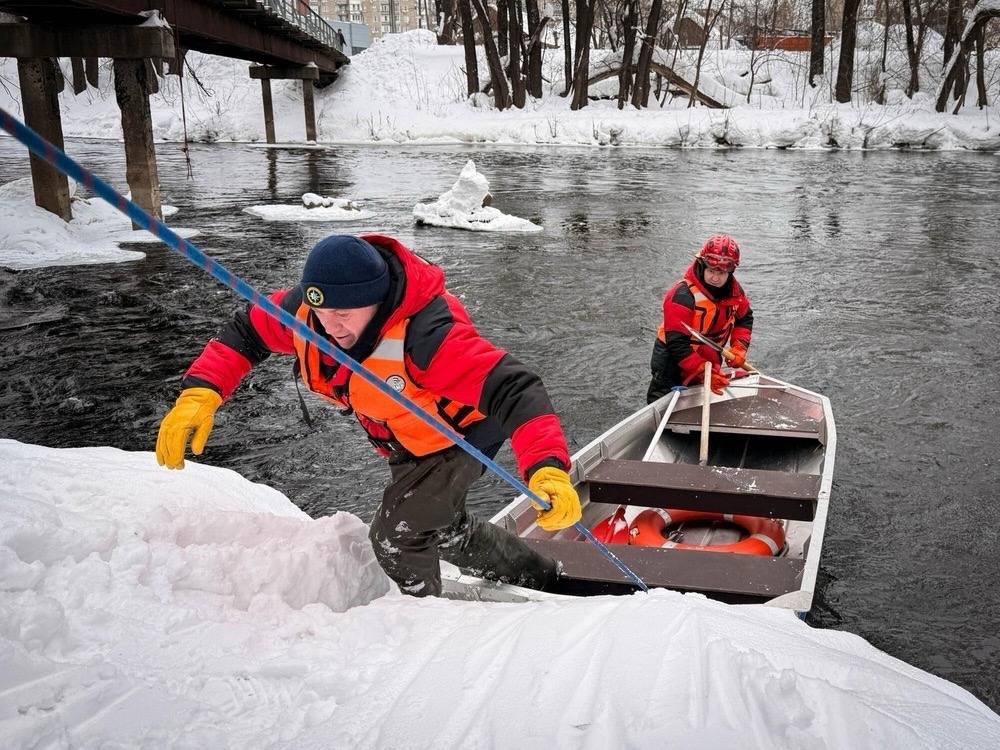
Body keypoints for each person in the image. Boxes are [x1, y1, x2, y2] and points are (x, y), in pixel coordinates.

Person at [156, 233, 581, 597]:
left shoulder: (427, 336)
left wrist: (546, 469)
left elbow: (515, 389)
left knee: (398, 534)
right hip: (406, 436)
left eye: (343, 314)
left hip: (459, 435)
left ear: (375, 302)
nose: (331, 327)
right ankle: (543, 577)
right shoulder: (308, 315)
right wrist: (201, 393)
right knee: (442, 527)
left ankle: (423, 623)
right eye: (321, 314)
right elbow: (246, 331)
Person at [647, 234, 754, 403]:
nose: (715, 278)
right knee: (665, 403)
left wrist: (739, 347)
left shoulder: (735, 293)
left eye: (722, 273)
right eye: (711, 271)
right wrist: (703, 371)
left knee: (704, 401)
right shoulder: (682, 295)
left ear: (731, 271)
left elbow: (744, 318)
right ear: (702, 265)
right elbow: (676, 342)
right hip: (673, 361)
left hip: (709, 357)